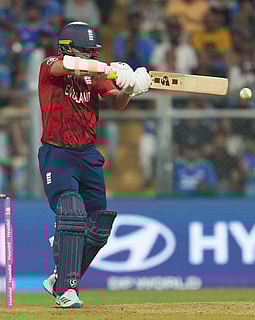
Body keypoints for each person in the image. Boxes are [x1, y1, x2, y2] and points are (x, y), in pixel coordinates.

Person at [38, 21, 151, 308]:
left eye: (93, 51)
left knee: (99, 225)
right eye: (85, 51)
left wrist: (128, 89)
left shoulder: (95, 75)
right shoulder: (51, 65)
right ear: (68, 48)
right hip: (58, 152)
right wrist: (113, 69)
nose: (90, 56)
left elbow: (117, 102)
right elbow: (63, 67)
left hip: (87, 154)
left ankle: (60, 272)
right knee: (72, 213)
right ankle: (66, 290)